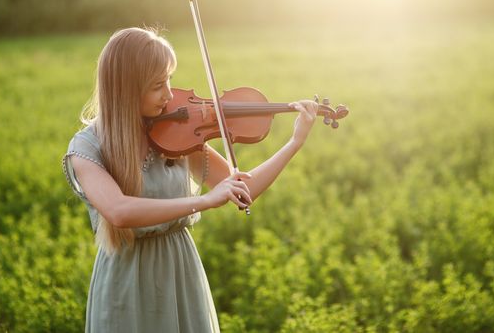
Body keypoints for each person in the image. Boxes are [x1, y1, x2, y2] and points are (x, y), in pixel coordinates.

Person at [62, 26, 320, 333]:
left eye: (169, 79)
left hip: (180, 272)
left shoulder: (175, 133)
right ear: (126, 87)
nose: (170, 94)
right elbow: (118, 211)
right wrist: (204, 201)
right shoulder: (87, 147)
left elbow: (244, 187)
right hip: (126, 284)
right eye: (158, 85)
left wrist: (294, 144)